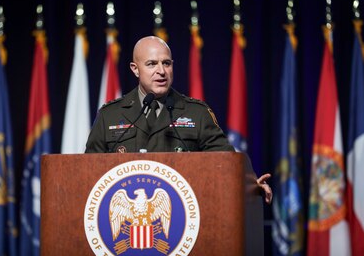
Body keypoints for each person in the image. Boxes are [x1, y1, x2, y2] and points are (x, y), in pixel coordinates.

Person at [85, 36, 272, 204]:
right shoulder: (110, 115)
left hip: (184, 215)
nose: (161, 71)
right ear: (135, 69)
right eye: (151, 64)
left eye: (166, 63)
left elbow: (226, 162)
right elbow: (88, 171)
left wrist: (248, 184)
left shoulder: (197, 113)